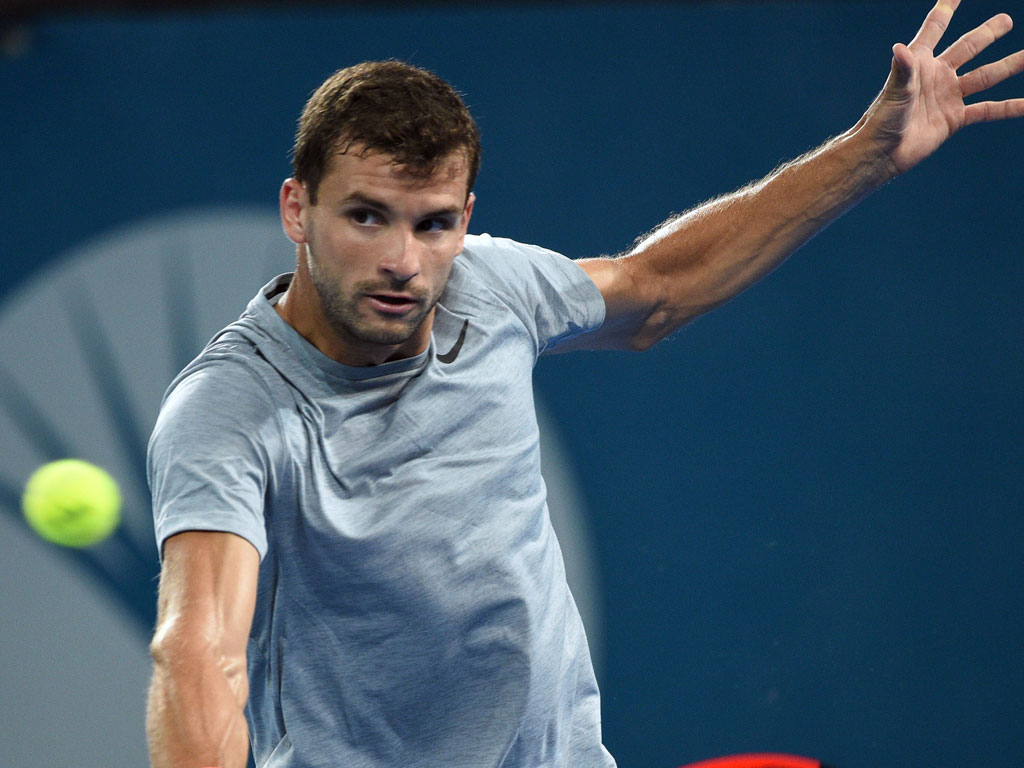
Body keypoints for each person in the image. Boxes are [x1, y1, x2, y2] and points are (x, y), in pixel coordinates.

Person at [145, 2, 1023, 767]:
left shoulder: (493, 287)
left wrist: (868, 153)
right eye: (366, 216)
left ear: (467, 222)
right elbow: (202, 653)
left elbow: (661, 288)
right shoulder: (232, 409)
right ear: (298, 208)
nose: (402, 261)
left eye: (434, 224)